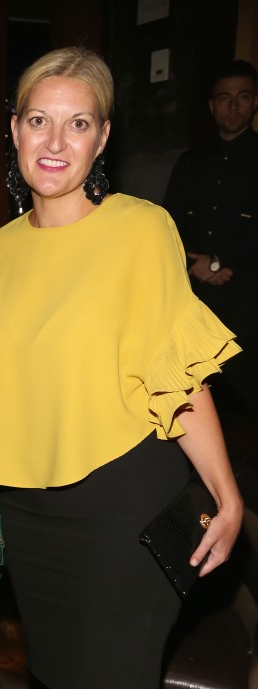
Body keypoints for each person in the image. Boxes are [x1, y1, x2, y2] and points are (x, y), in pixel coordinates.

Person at [0, 47, 244, 689]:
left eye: (77, 122)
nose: (55, 140)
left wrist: (229, 490)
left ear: (103, 138)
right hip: (34, 506)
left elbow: (176, 370)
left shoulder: (139, 231)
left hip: (121, 497)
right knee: (61, 687)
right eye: (37, 120)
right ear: (13, 132)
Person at [163, 59, 258, 422]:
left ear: (254, 102)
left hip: (248, 299)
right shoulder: (190, 162)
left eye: (242, 96)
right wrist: (194, 264)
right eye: (224, 97)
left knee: (245, 403)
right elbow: (167, 223)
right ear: (211, 105)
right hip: (194, 297)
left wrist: (219, 262)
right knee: (192, 399)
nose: (233, 106)